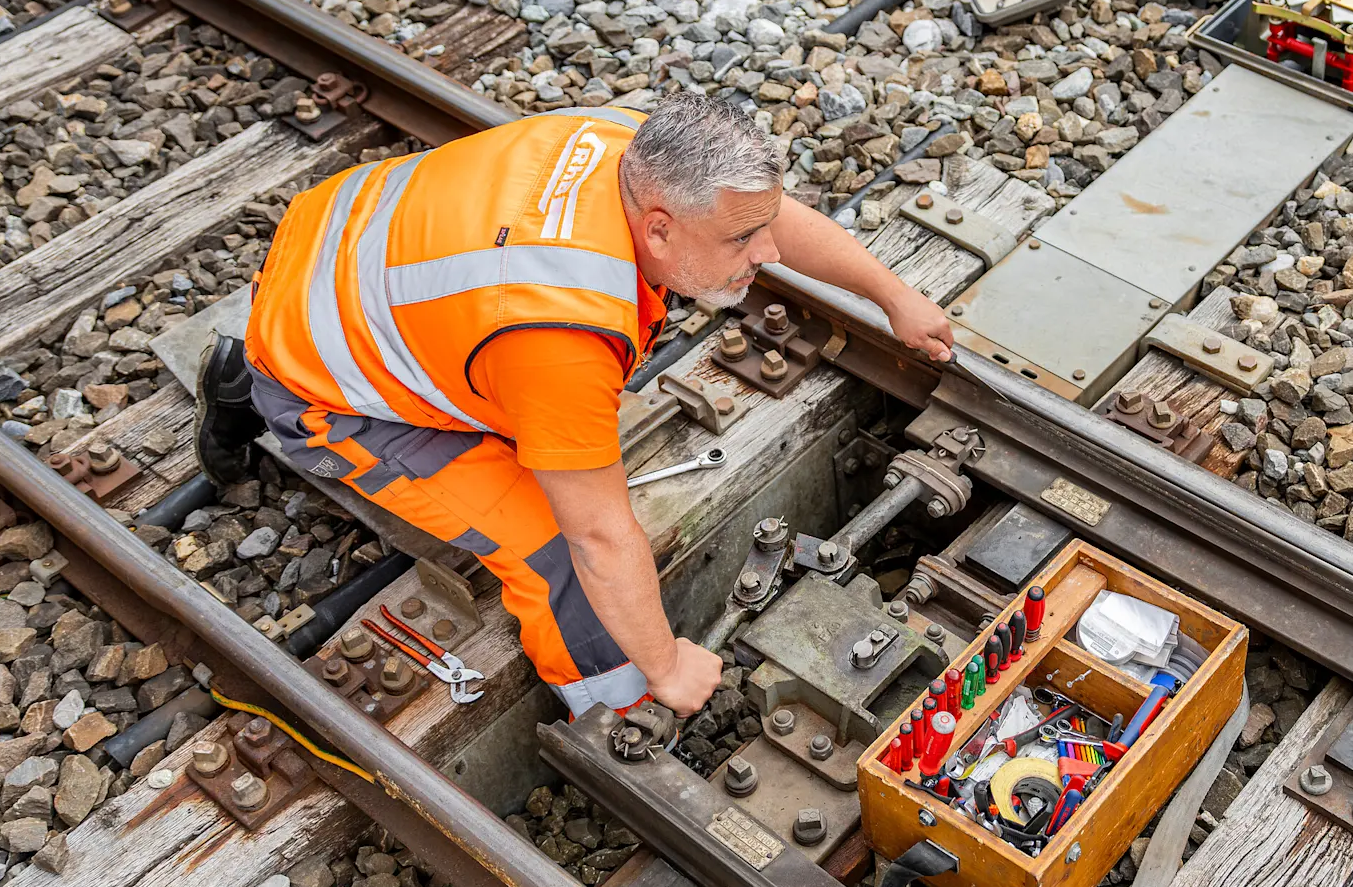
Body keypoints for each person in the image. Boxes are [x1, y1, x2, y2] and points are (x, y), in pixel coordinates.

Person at [199, 94, 955, 719]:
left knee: (553, 445)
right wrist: (666, 666)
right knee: (555, 551)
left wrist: (891, 295)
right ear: (658, 226)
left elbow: (768, 217)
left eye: (761, 231)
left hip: (336, 250)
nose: (769, 254)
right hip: (330, 387)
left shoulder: (635, 145)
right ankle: (618, 715)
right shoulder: (557, 338)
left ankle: (253, 363)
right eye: (742, 242)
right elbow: (596, 540)